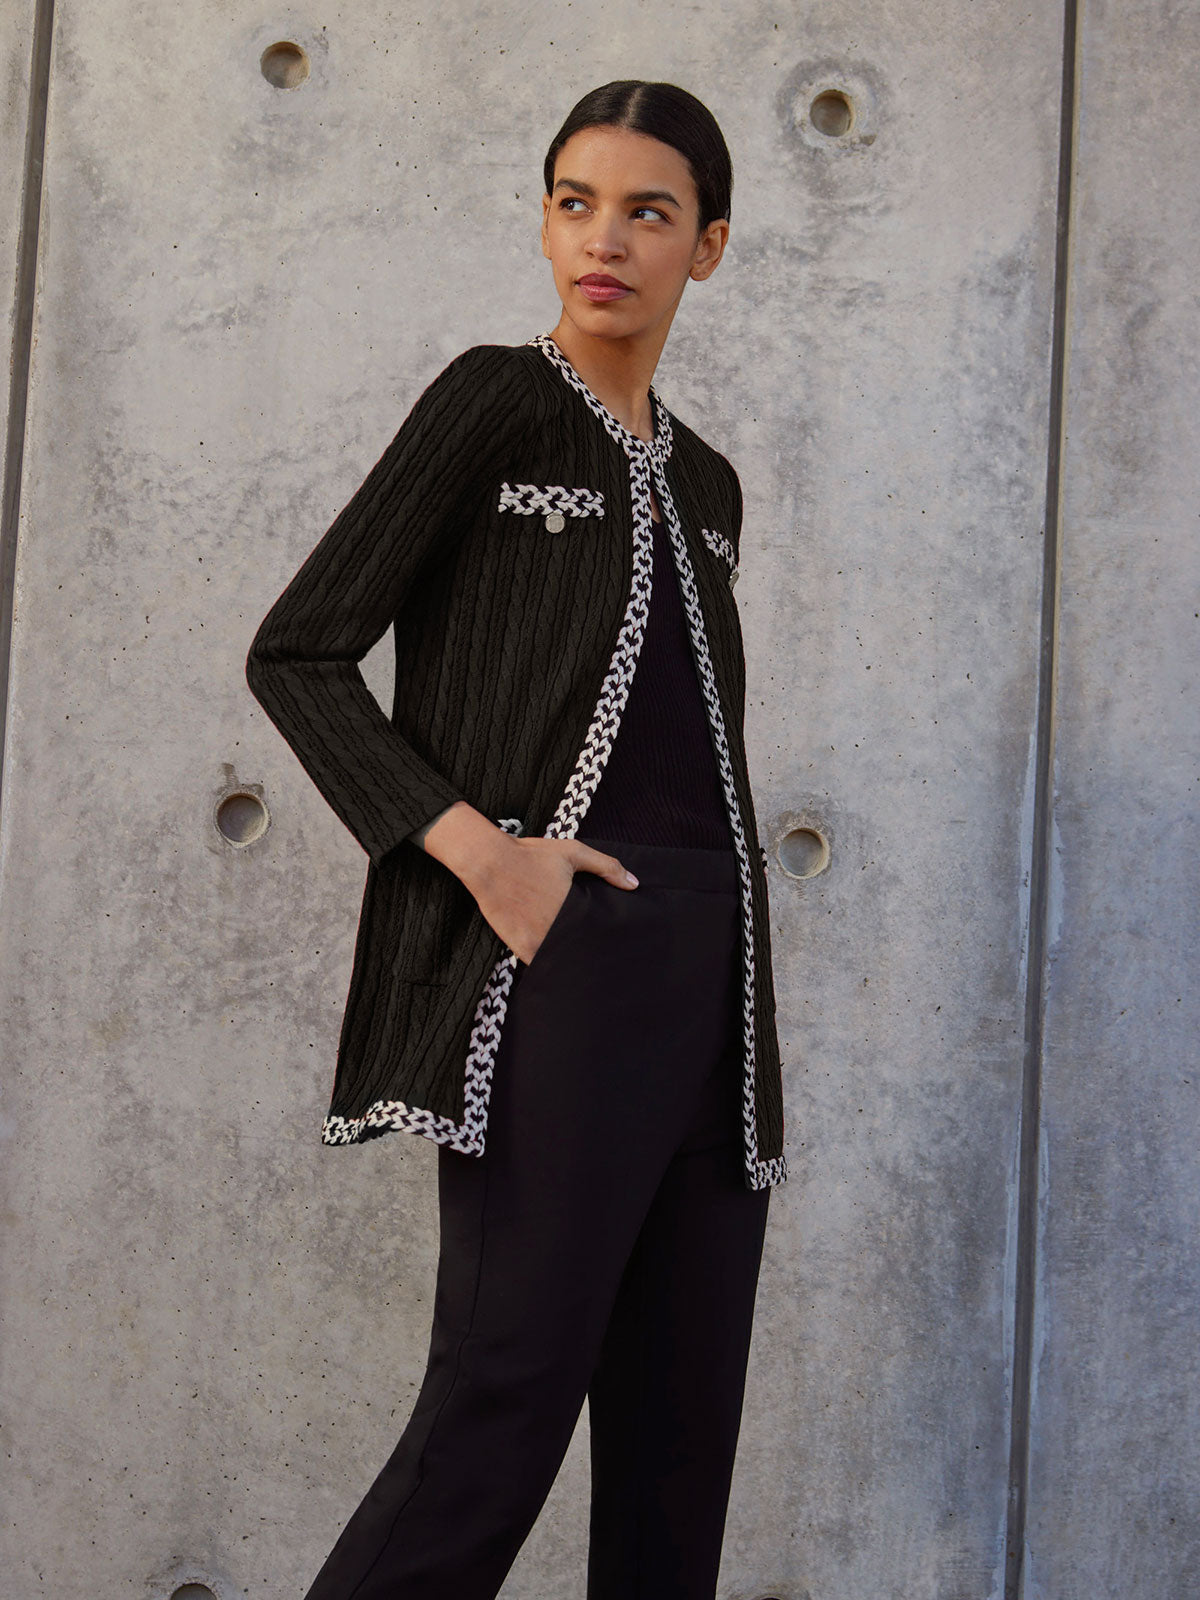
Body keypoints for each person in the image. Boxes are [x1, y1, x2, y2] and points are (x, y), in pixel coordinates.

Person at [245, 78, 787, 1600]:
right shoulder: (494, 400)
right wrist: (487, 855)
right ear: (546, 224)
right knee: (500, 1408)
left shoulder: (710, 482)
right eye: (574, 203)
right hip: (559, 961)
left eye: (648, 213)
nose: (604, 240)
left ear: (709, 246)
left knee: (682, 1449)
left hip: (719, 988)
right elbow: (297, 653)